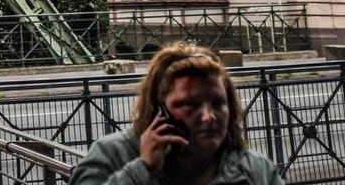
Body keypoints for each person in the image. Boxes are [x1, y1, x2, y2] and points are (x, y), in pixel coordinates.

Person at [70, 43, 282, 185]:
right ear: (158, 109)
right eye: (191, 104)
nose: (209, 117)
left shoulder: (256, 170)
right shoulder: (112, 155)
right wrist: (141, 170)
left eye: (218, 103)